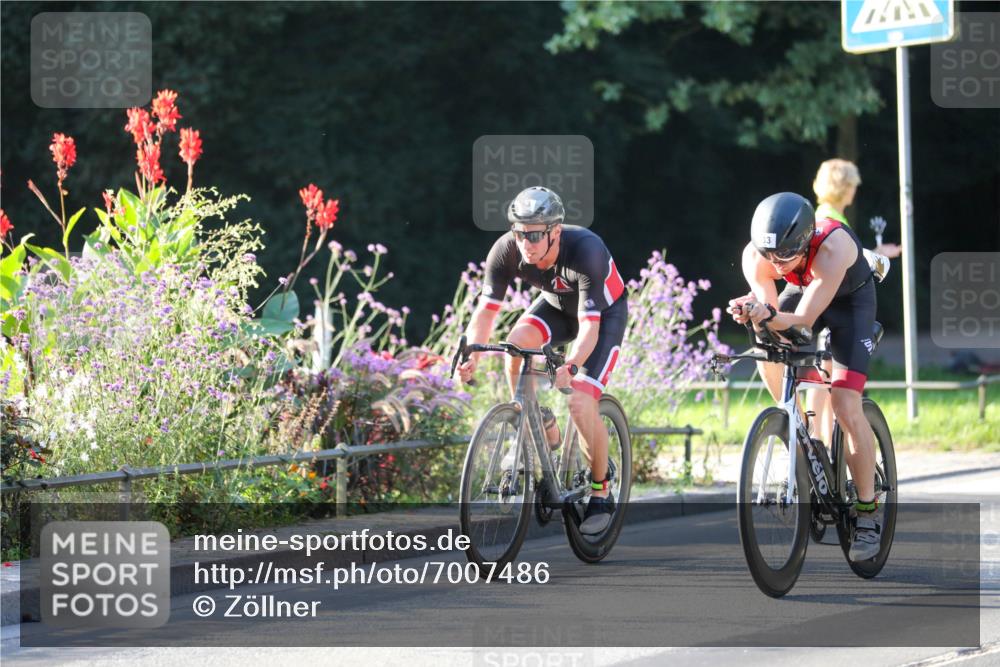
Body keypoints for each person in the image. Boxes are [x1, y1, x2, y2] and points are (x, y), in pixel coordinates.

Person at [458, 186, 628, 535]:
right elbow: (485, 312)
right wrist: (472, 353)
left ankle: (601, 491)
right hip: (556, 307)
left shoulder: (586, 250)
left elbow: (589, 329)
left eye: (534, 235)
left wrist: (572, 366)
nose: (526, 243)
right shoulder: (506, 249)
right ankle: (534, 418)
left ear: (555, 231)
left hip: (602, 317)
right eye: (519, 233)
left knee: (580, 402)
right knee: (515, 347)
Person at [728, 192, 883, 561]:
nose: (775, 265)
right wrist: (754, 313)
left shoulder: (833, 247)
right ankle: (799, 428)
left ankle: (867, 511)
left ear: (804, 241)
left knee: (844, 403)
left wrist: (766, 315)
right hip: (803, 291)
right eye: (769, 256)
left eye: (784, 257)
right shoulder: (757, 256)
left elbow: (803, 322)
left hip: (849, 302)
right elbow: (772, 316)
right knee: (767, 348)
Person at [813, 158, 901, 258]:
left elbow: (844, 259)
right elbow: (842, 262)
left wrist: (877, 253)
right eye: (853, 185)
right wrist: (876, 255)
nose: (854, 190)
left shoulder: (825, 214)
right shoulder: (831, 220)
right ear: (844, 186)